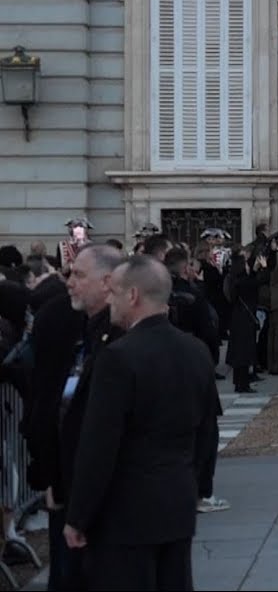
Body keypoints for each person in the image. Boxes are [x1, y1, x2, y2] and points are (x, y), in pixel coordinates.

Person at [64, 255, 220, 591]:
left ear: (132, 295)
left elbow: (99, 445)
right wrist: (199, 485)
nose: (109, 301)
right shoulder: (196, 351)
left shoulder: (118, 357)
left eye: (114, 293)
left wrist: (78, 515)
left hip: (126, 513)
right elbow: (208, 429)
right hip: (177, 502)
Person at [27, 243, 126, 591]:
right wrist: (49, 474)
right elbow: (48, 401)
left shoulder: (122, 335)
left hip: (110, 493)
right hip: (69, 482)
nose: (69, 281)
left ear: (107, 282)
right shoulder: (61, 318)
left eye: (79, 275)